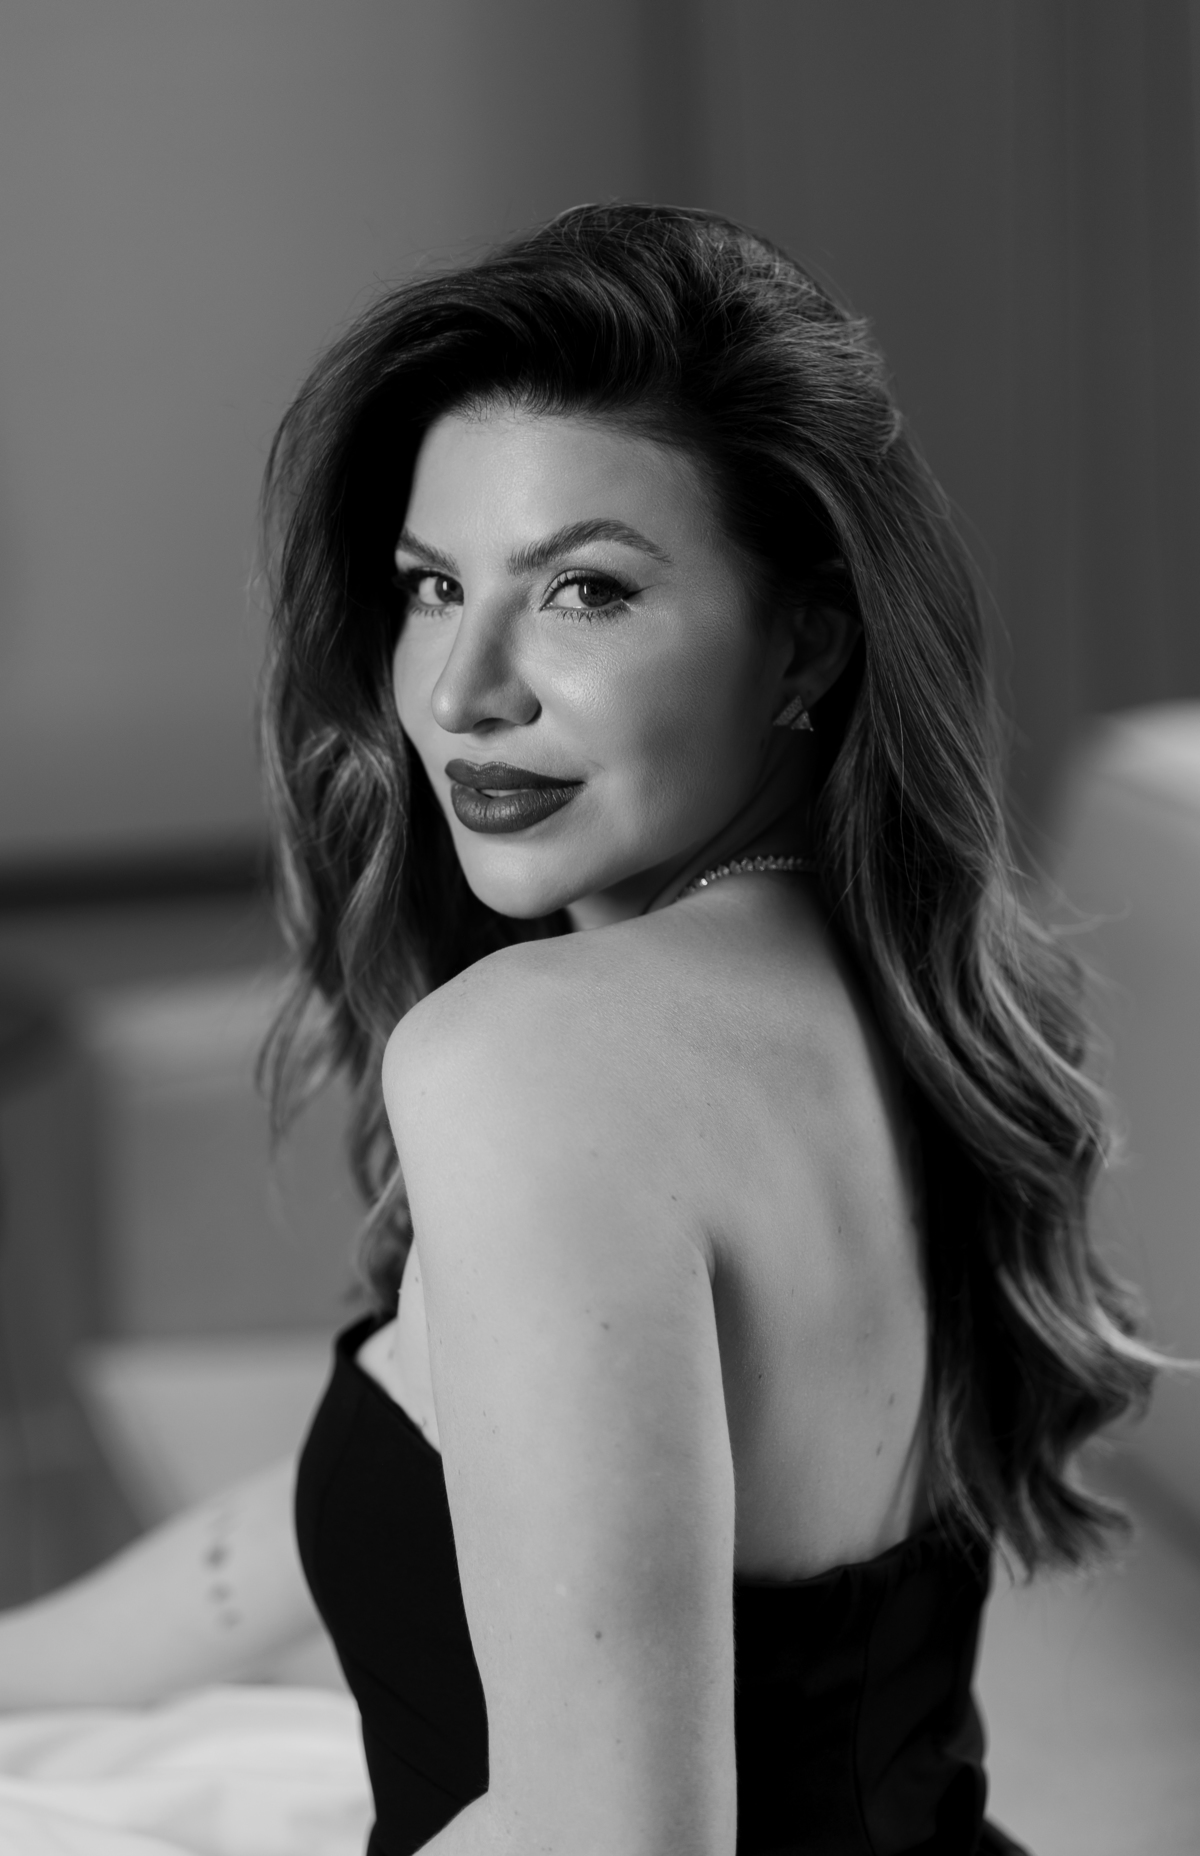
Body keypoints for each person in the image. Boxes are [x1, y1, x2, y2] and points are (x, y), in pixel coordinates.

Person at [0, 203, 1158, 1856]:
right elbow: (415, 1460)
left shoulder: (537, 1060)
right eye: (431, 587)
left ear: (807, 639)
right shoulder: (913, 1004)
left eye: (586, 592)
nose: (462, 690)